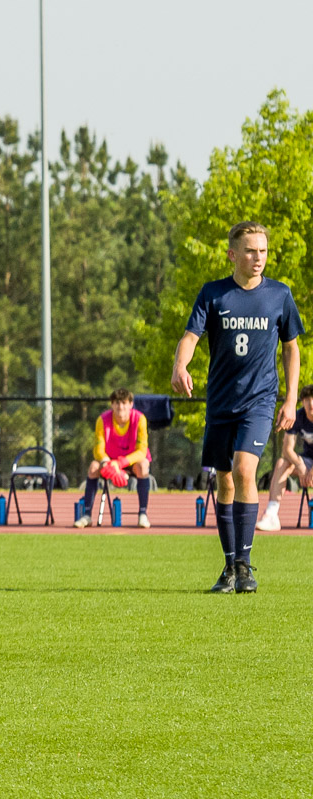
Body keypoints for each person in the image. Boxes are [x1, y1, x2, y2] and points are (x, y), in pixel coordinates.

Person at [171, 221, 303, 595]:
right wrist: (180, 365)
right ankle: (230, 568)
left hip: (259, 402)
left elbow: (292, 347)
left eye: (262, 251)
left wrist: (290, 398)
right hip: (220, 403)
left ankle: (245, 566)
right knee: (225, 480)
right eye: (249, 250)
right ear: (232, 254)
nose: (257, 257)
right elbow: (190, 337)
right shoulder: (213, 294)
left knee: (246, 469)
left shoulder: (280, 295)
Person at [74, 388, 152, 529]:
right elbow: (98, 449)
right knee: (93, 467)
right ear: (112, 404)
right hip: (109, 462)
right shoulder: (102, 420)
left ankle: (143, 514)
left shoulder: (140, 419)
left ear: (130, 404)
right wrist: (107, 463)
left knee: (143, 466)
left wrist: (120, 463)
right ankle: (87, 515)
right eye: (117, 403)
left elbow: (142, 451)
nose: (120, 406)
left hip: (131, 462)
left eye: (123, 403)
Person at [256, 384, 313, 531]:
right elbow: (287, 449)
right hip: (307, 460)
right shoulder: (298, 416)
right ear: (302, 402)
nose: (311, 403)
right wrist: (300, 465)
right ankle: (271, 514)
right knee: (282, 462)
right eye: (307, 399)